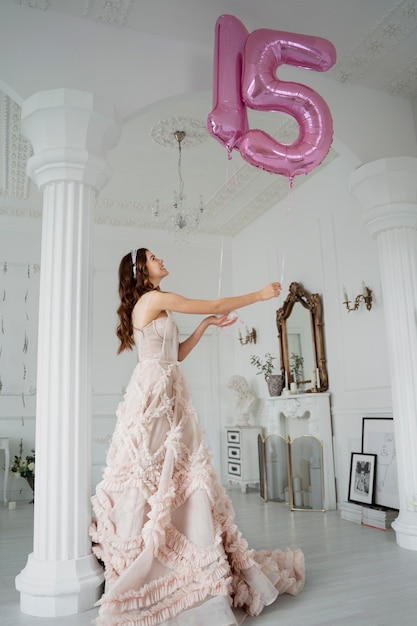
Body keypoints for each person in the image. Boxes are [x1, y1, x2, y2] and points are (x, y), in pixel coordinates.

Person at [90, 248, 305, 626]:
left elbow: (178, 355)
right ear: (143, 270)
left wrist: (205, 325)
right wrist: (259, 295)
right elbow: (218, 300)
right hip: (155, 395)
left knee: (179, 476)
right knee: (151, 476)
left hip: (170, 389)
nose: (162, 259)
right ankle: (149, 559)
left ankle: (183, 545)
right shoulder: (154, 298)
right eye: (154, 257)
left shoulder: (158, 305)